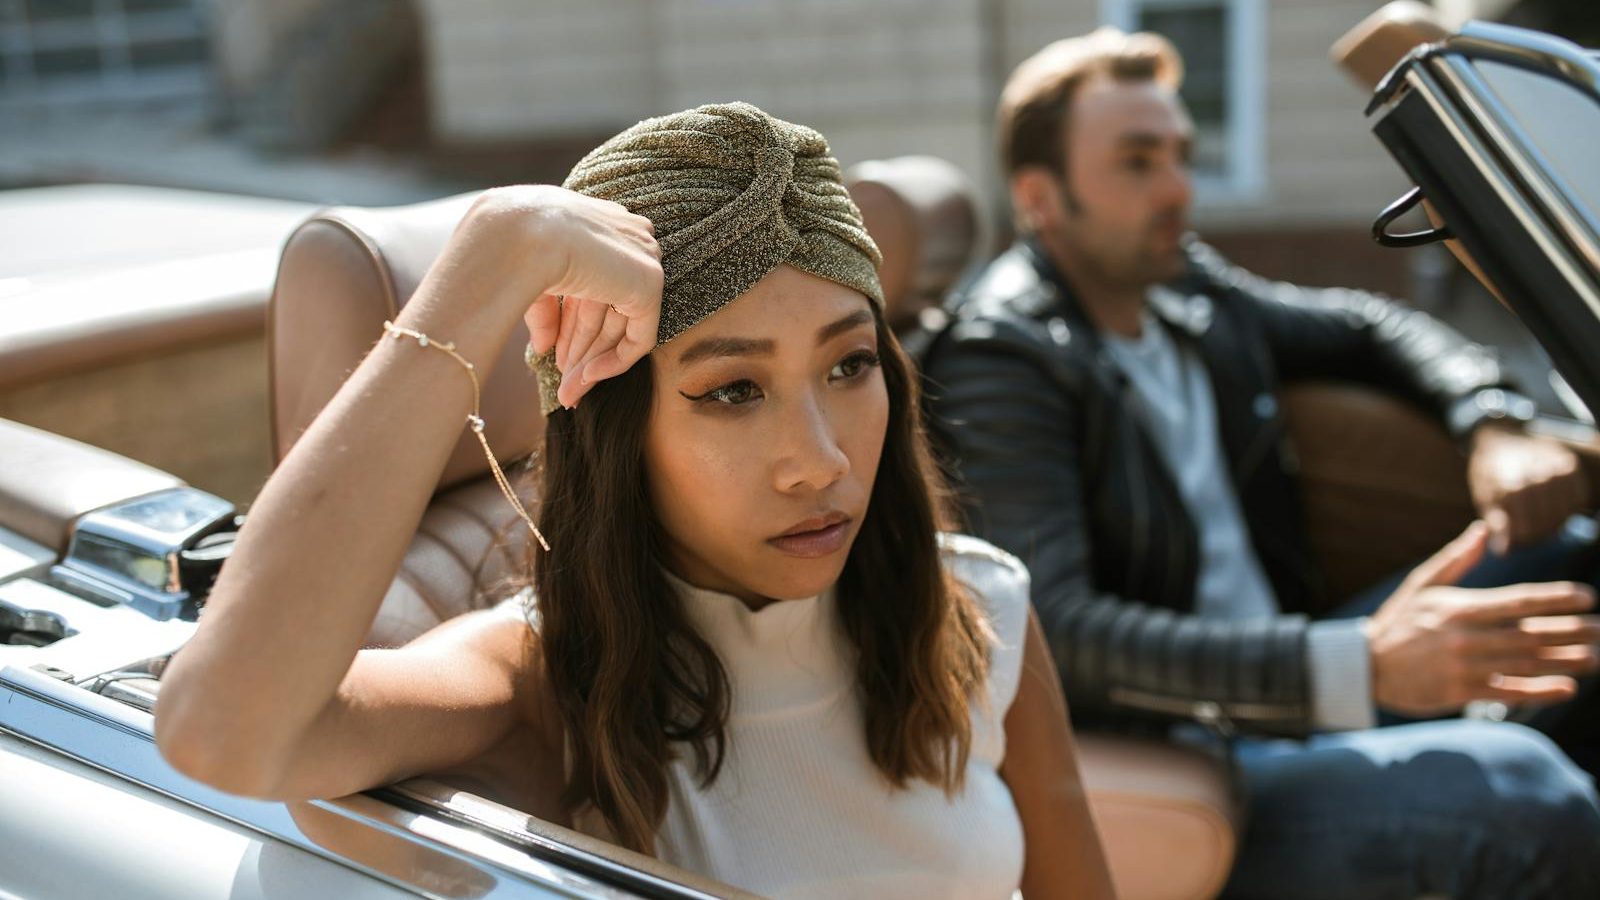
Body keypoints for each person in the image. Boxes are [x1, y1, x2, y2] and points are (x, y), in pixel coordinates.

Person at [152, 102, 1116, 900]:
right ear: (617, 438)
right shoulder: (542, 679)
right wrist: (492, 259)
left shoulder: (976, 610)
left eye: (850, 363)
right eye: (733, 390)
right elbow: (223, 734)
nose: (820, 463)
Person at [921, 27, 1600, 899]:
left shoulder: (1181, 288)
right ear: (1040, 198)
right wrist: (1357, 664)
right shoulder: (1002, 356)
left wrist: (1494, 419)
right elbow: (1054, 630)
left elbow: (1365, 324)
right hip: (1200, 744)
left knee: (1577, 560)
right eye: (1137, 162)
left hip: (1297, 675)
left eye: (1180, 154)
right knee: (1532, 796)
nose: (1177, 188)